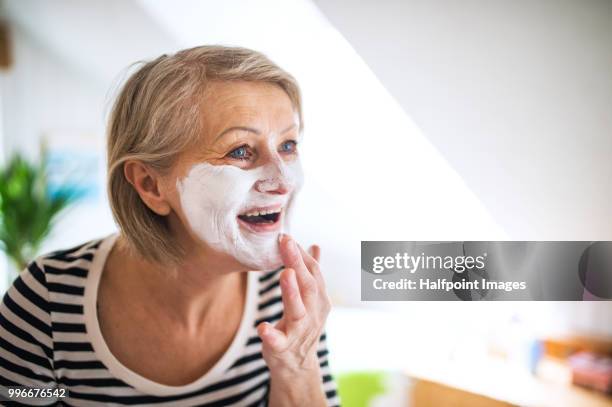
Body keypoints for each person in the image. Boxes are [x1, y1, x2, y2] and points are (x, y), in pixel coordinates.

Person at [0, 46, 340, 406]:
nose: (284, 179)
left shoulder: (287, 295)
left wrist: (297, 367)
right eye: (240, 151)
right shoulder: (47, 301)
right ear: (150, 185)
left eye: (287, 145)